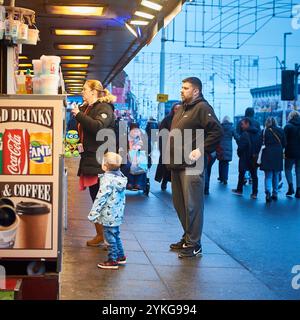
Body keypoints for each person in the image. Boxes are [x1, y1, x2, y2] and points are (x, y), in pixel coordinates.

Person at [167, 77, 223, 258]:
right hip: (177, 163)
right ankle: (187, 237)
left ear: (196, 91)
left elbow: (217, 131)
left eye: (185, 88)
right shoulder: (182, 108)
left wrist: (201, 150)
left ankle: (194, 244)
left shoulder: (202, 108)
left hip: (192, 165)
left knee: (193, 205)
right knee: (180, 204)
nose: (181, 90)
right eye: (181, 87)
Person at [71, 80, 116, 247]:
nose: (82, 92)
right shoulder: (87, 108)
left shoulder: (104, 108)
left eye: (84, 89)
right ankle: (100, 234)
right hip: (90, 158)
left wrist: (79, 114)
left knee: (102, 199)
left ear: (93, 92)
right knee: (96, 198)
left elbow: (98, 127)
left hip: (101, 160)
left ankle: (109, 238)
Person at [88, 152, 127, 269]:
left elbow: (100, 198)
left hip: (107, 214)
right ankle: (121, 256)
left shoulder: (107, 181)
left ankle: (112, 260)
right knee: (116, 235)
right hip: (117, 214)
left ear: (104, 166)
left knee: (109, 238)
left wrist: (93, 213)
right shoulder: (120, 178)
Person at [232, 117, 262, 199]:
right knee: (254, 175)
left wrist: (239, 154)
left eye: (242, 124)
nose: (241, 126)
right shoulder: (257, 133)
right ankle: (254, 193)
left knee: (241, 173)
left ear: (247, 123)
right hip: (254, 157)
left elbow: (241, 147)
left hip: (245, 157)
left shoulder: (245, 134)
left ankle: (239, 190)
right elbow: (259, 145)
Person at [155, 103, 181, 190]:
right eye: (176, 108)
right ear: (173, 110)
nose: (177, 110)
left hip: (179, 147)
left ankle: (175, 184)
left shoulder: (184, 119)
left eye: (179, 108)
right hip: (167, 146)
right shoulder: (167, 119)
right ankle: (164, 181)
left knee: (176, 167)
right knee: (166, 166)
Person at [259, 117, 286, 203]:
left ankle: (268, 193)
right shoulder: (281, 130)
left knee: (268, 175)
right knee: (276, 175)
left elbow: (260, 143)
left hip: (267, 153)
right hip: (278, 154)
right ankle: (275, 193)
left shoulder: (264, 131)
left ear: (267, 122)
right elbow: (285, 143)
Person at [284, 110, 300, 198]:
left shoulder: (288, 126)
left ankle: (290, 187)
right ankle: (299, 190)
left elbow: (283, 140)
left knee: (287, 169)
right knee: (298, 171)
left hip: (290, 152)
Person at [216, 116, 235, 185]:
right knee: (226, 163)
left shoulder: (220, 127)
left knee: (221, 162)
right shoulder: (231, 128)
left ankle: (221, 177)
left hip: (220, 147)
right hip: (228, 148)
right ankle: (225, 178)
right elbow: (236, 136)